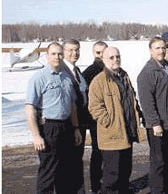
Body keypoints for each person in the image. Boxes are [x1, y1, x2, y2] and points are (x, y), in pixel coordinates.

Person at [25, 42, 82, 194]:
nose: (57, 57)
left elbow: (72, 105)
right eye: (54, 54)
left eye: (60, 54)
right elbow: (30, 107)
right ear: (46, 56)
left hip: (67, 127)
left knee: (65, 171)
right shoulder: (39, 78)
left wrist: (76, 129)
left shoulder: (66, 76)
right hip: (48, 128)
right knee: (48, 172)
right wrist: (36, 135)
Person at [88, 47, 143, 194]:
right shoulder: (99, 81)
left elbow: (132, 99)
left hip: (127, 132)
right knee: (111, 177)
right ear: (104, 60)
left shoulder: (124, 76)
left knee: (125, 173)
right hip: (111, 136)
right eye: (111, 57)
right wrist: (109, 122)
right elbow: (94, 107)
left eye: (117, 56)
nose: (115, 60)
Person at [137, 37, 168, 194]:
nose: (161, 51)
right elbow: (146, 101)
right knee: (158, 161)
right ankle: (157, 190)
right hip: (159, 124)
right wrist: (154, 123)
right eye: (157, 48)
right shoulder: (148, 72)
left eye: (163, 48)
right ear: (151, 50)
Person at [61, 39, 87, 194]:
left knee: (77, 162)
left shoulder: (77, 71)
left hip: (80, 124)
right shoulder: (63, 71)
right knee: (67, 165)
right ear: (63, 51)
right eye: (70, 50)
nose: (74, 53)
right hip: (69, 125)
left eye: (76, 49)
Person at [82, 40, 108, 194]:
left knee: (111, 154)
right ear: (93, 53)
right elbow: (86, 100)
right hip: (95, 120)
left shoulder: (112, 69)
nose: (100, 55)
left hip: (112, 119)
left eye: (103, 52)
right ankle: (96, 186)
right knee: (98, 152)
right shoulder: (89, 73)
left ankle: (110, 184)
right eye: (98, 52)